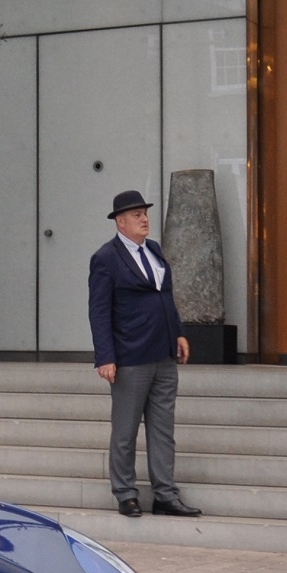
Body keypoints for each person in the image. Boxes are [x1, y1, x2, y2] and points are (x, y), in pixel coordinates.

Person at [88, 189, 201, 519]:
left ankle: (165, 494)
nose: (144, 219)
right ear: (120, 223)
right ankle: (125, 493)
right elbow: (98, 311)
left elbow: (165, 294)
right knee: (125, 430)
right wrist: (105, 356)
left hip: (163, 353)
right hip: (130, 356)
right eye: (136, 215)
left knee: (163, 428)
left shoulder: (153, 249)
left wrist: (178, 331)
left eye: (145, 213)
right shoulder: (106, 258)